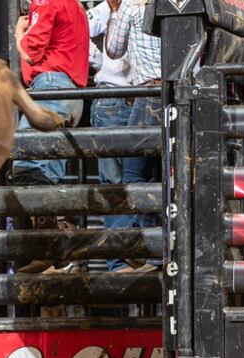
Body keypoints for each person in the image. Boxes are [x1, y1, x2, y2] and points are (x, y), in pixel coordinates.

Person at [11, 0, 89, 274]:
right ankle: (54, 250)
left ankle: (62, 245)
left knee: (25, 166)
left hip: (51, 87)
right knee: (47, 175)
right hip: (71, 92)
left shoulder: (47, 1)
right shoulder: (76, 5)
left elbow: (31, 51)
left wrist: (19, 33)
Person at [105, 0, 162, 272]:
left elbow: (114, 50)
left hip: (148, 93)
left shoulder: (130, 5)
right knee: (163, 174)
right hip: (179, 92)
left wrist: (115, 12)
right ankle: (157, 253)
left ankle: (141, 249)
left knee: (132, 174)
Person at [87, 0, 136, 273]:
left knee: (132, 179)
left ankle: (130, 255)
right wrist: (98, 62)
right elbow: (80, 28)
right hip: (121, 93)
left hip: (136, 94)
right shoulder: (111, 6)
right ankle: (122, 259)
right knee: (122, 180)